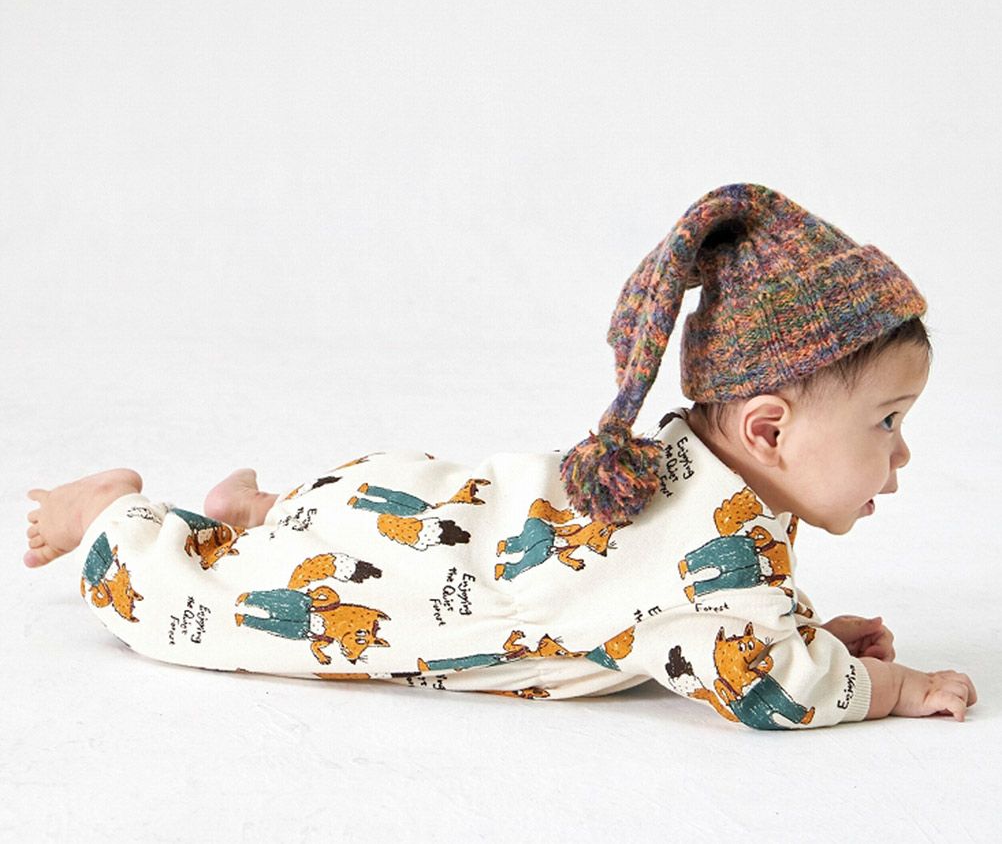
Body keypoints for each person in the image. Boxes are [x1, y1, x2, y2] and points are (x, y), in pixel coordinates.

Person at [22, 184, 977, 729]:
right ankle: (109, 516)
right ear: (767, 430)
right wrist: (894, 690)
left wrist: (810, 627)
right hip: (406, 579)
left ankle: (263, 513)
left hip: (413, 500)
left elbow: (703, 621)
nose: (902, 458)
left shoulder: (692, 480)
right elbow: (773, 688)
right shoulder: (720, 550)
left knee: (306, 532)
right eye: (888, 422)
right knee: (184, 616)